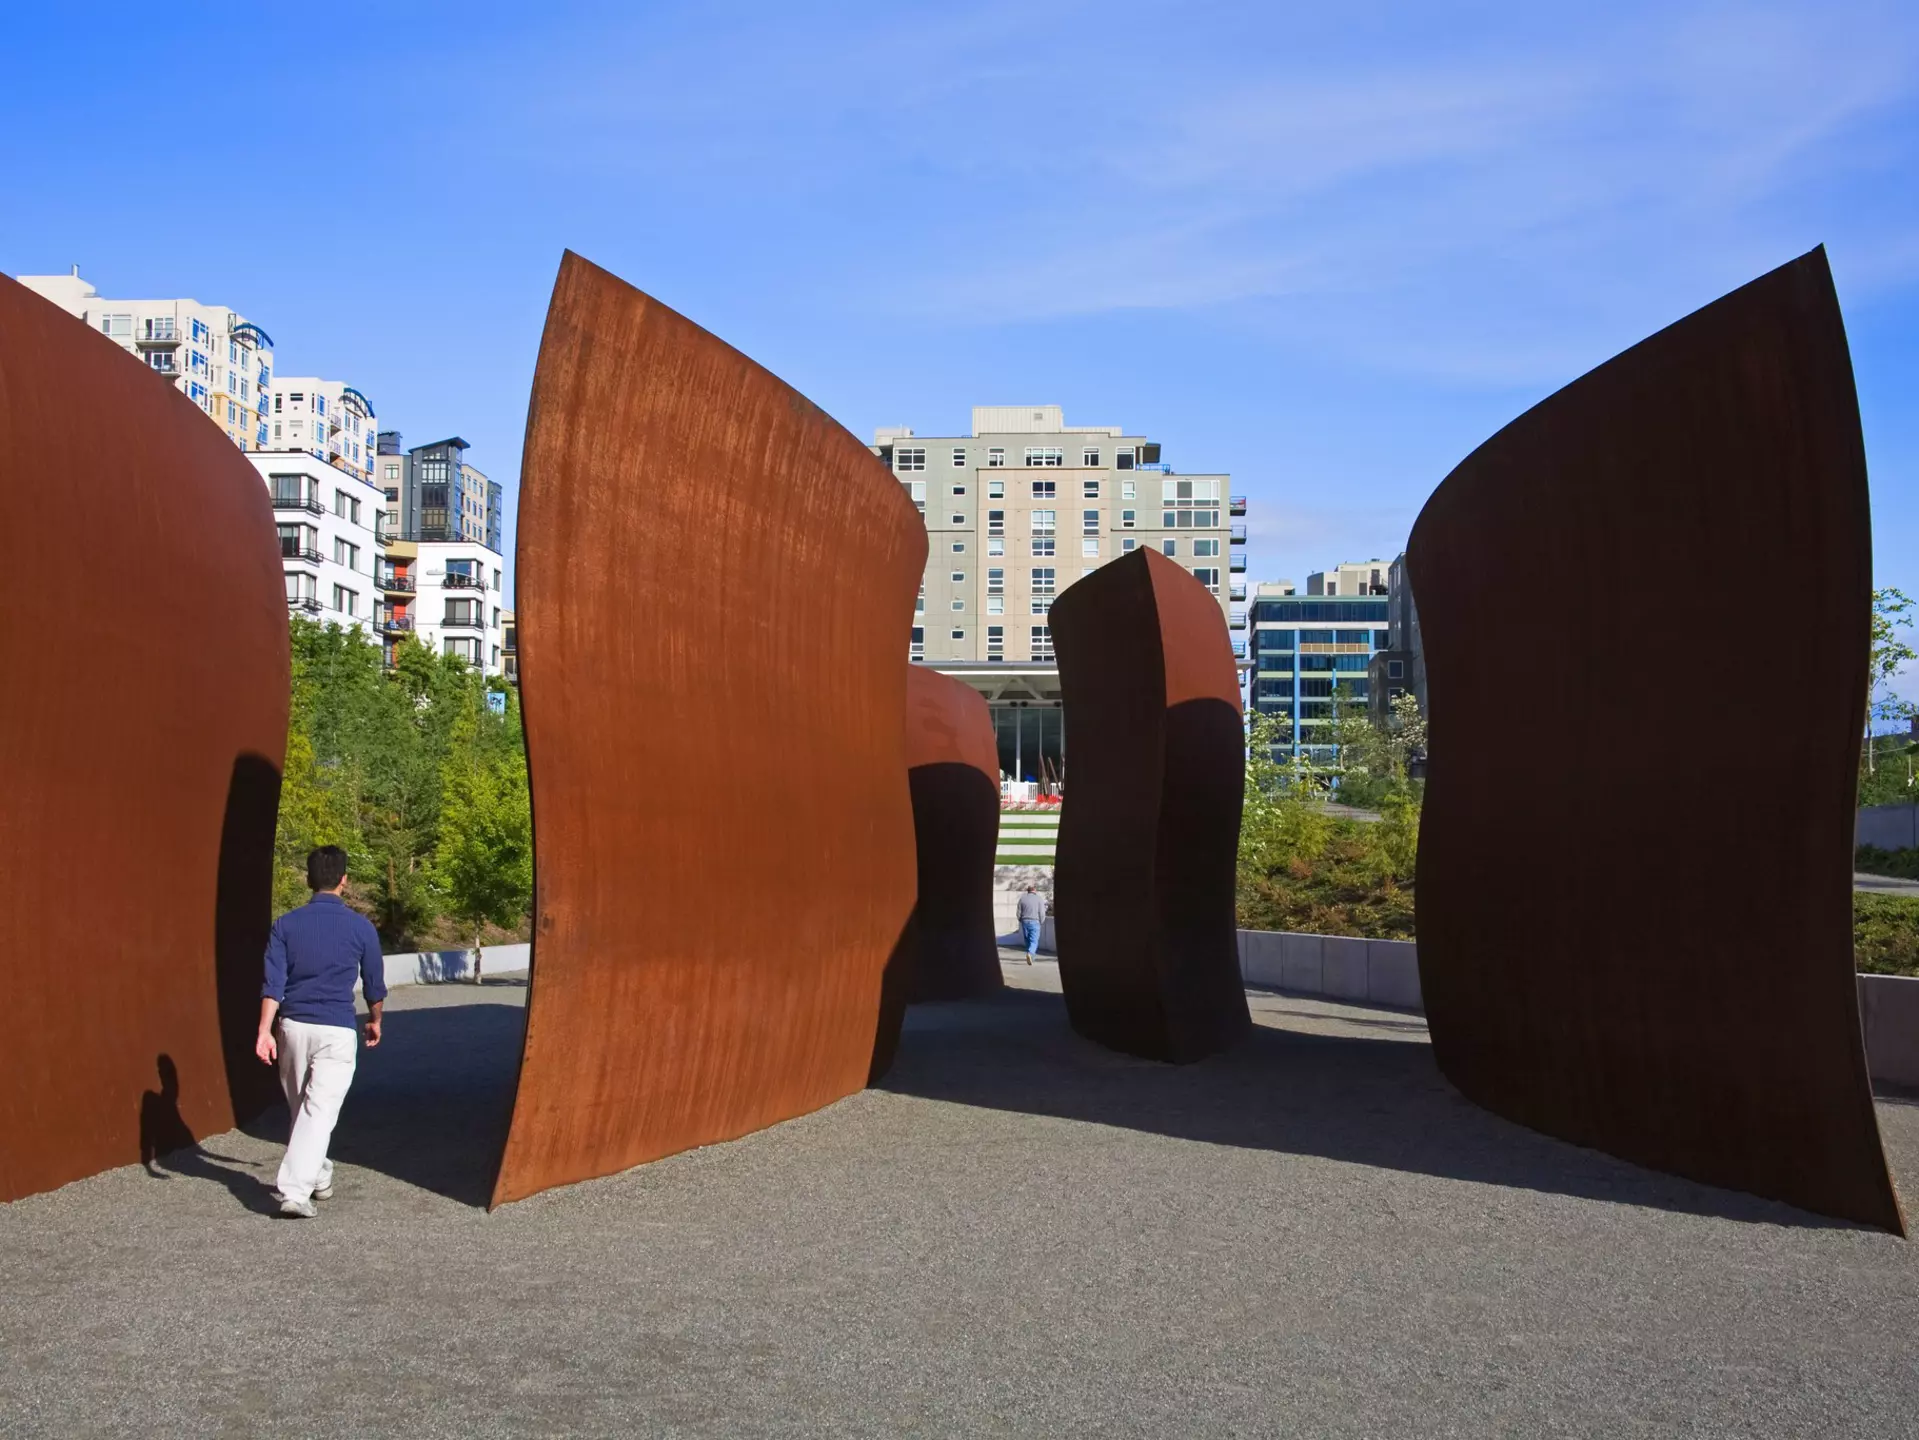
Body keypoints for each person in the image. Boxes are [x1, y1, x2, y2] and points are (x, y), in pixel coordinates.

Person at [255, 844, 386, 1219]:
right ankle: (298, 1191)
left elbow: (272, 983)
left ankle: (312, 1177)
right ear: (344, 880)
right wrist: (375, 1019)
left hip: (293, 1028)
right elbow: (374, 985)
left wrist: (265, 1030)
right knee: (314, 1112)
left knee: (308, 1111)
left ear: (309, 880)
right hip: (337, 1030)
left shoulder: (285, 925)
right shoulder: (361, 928)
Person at [1016, 883, 1047, 963]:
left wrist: (1020, 920)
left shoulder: (1022, 899)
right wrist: (1041, 921)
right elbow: (1042, 912)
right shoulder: (1039, 899)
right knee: (1034, 940)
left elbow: (1018, 912)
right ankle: (1030, 953)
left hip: (1025, 921)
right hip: (1035, 921)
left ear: (1028, 891)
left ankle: (1031, 956)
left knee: (1027, 940)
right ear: (1035, 890)